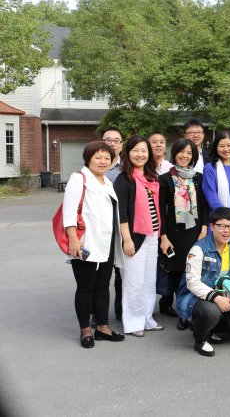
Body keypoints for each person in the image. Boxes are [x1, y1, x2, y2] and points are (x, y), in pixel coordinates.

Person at [63, 141, 125, 348]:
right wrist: (74, 240)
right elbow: (69, 212)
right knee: (85, 287)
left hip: (107, 243)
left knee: (102, 286)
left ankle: (103, 327)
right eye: (98, 157)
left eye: (107, 158)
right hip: (85, 243)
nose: (103, 161)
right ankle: (85, 331)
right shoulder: (78, 179)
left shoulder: (107, 182)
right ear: (88, 158)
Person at [175, 207, 230, 357]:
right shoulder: (198, 249)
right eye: (222, 226)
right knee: (211, 311)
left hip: (220, 294)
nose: (227, 230)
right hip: (192, 296)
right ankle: (200, 340)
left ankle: (207, 328)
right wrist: (216, 298)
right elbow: (192, 283)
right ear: (212, 226)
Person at [113, 136, 163, 337]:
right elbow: (121, 213)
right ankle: (134, 323)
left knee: (149, 281)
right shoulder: (124, 179)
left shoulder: (151, 178)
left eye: (144, 150)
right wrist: (126, 239)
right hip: (134, 237)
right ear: (128, 153)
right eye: (135, 150)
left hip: (152, 235)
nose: (140, 154)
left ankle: (147, 319)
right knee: (133, 282)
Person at [158, 138, 209, 331]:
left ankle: (186, 310)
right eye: (181, 151)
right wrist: (163, 237)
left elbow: (203, 206)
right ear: (174, 153)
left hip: (195, 232)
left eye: (189, 152)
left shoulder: (199, 178)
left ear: (193, 156)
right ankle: (179, 310)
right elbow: (161, 211)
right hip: (174, 233)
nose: (185, 155)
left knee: (193, 272)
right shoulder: (165, 179)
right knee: (177, 272)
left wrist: (203, 229)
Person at [202, 131, 230, 247]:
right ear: (216, 147)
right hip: (219, 224)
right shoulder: (210, 168)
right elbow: (212, 200)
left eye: (229, 145)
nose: (226, 149)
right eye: (222, 146)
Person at [101, 127, 124, 324]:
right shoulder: (91, 168)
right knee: (100, 273)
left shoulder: (127, 168)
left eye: (116, 140)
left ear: (121, 145)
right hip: (99, 227)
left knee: (121, 273)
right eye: (108, 140)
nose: (112, 144)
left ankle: (120, 310)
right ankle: (97, 314)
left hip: (121, 226)